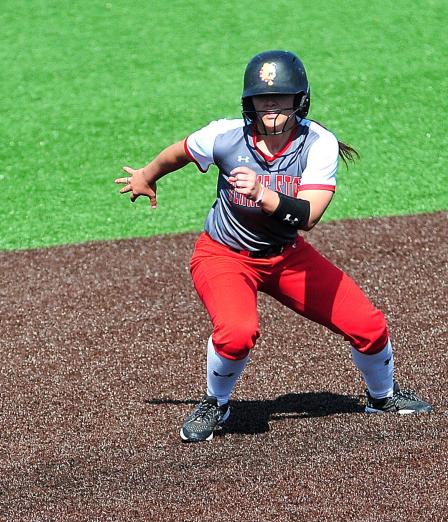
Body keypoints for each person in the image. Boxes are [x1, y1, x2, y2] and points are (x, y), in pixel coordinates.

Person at [115, 50, 432, 443]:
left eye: (282, 97)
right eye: (262, 98)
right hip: (224, 255)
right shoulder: (225, 135)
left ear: (300, 99)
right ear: (248, 102)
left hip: (287, 257)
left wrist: (264, 193)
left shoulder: (318, 143)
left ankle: (382, 397)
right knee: (237, 332)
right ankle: (216, 403)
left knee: (369, 326)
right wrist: (147, 174)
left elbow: (310, 216)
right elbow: (180, 151)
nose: (271, 106)